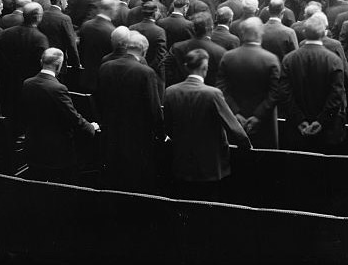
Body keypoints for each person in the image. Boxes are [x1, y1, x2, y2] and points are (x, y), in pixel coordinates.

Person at [163, 48, 251, 200]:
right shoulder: (213, 94)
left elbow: (168, 127)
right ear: (205, 68)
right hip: (210, 165)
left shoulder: (170, 91)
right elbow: (234, 128)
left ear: (186, 66)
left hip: (181, 162)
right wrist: (246, 146)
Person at [95, 30, 164, 192]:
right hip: (137, 136)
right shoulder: (146, 72)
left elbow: (97, 99)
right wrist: (161, 134)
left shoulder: (105, 66)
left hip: (110, 133)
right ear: (144, 51)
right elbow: (154, 109)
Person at [21, 48, 99, 184]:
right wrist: (90, 127)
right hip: (56, 153)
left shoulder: (27, 83)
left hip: (33, 146)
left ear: (41, 62)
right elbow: (73, 118)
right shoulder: (58, 88)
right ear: (59, 65)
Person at [279, 12, 347, 153]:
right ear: (324, 33)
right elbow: (336, 95)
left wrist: (299, 120)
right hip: (327, 131)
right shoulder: (334, 60)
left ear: (304, 32)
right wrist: (321, 122)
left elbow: (285, 93)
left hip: (296, 130)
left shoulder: (289, 59)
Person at [216, 17, 281, 149]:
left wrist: (236, 113)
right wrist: (258, 116)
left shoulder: (228, 57)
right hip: (264, 124)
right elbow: (275, 92)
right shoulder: (271, 59)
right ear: (260, 34)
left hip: (234, 123)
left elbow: (221, 89)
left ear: (242, 34)